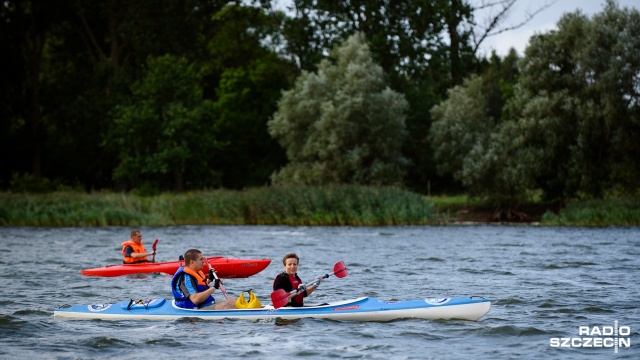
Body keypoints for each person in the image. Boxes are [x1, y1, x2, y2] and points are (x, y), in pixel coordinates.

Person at [171, 248, 237, 310]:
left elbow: (198, 288)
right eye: (201, 259)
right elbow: (195, 299)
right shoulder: (186, 278)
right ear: (192, 262)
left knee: (234, 300)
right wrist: (214, 287)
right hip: (192, 309)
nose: (203, 261)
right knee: (225, 306)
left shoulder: (196, 272)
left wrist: (209, 279)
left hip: (204, 305)